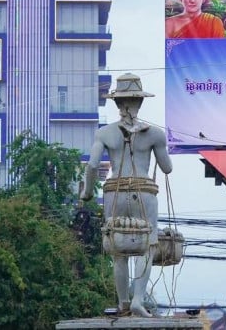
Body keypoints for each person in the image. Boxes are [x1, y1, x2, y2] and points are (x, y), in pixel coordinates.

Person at [82, 73, 173, 317]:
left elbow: (91, 166)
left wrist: (87, 192)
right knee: (148, 246)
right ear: (140, 102)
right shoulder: (155, 134)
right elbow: (167, 168)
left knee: (117, 249)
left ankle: (123, 303)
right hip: (144, 192)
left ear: (116, 103)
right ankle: (138, 300)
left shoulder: (105, 133)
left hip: (114, 192)